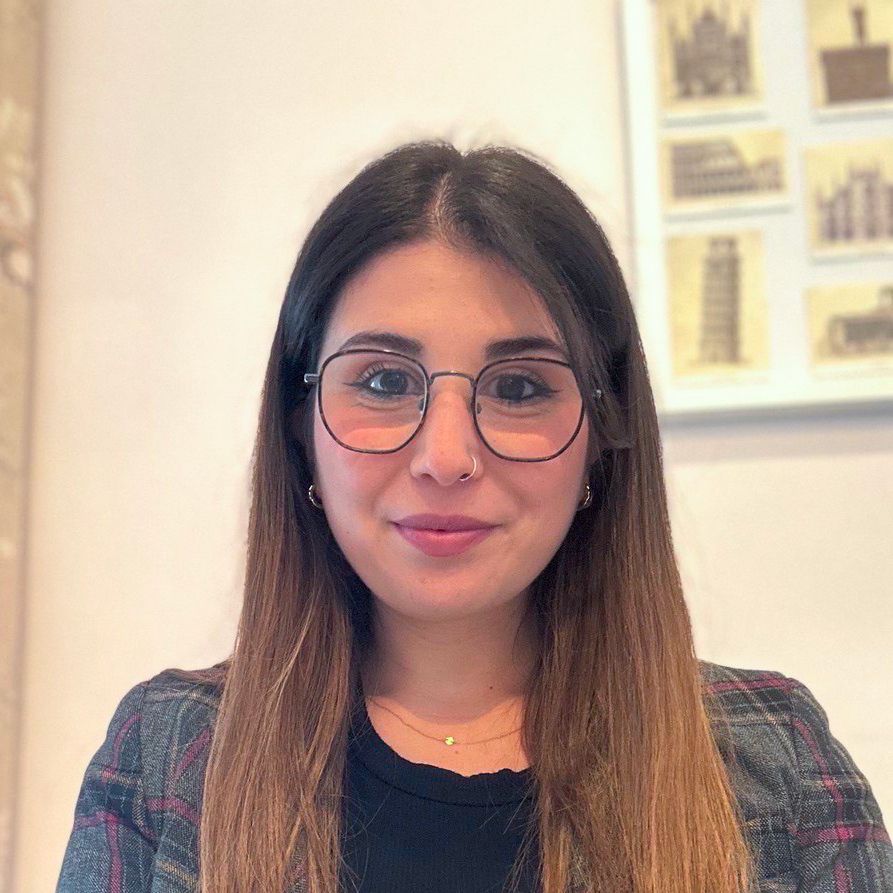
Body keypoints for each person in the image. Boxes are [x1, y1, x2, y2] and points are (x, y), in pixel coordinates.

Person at [56, 141, 892, 893]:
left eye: (520, 387)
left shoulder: (776, 762)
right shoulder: (165, 756)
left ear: (601, 438)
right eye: (383, 381)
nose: (446, 456)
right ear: (298, 424)